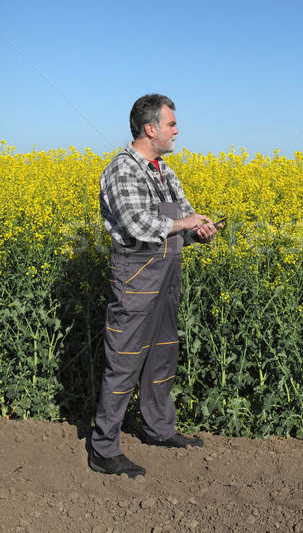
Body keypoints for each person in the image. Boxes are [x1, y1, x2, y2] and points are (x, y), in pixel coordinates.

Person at [90, 94, 221, 479]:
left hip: (166, 275)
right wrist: (183, 223)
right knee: (124, 359)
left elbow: (180, 218)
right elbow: (136, 224)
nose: (177, 131)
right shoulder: (122, 169)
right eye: (171, 124)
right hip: (136, 275)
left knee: (162, 354)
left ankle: (159, 430)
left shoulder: (163, 170)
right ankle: (103, 449)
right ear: (151, 129)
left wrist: (200, 230)